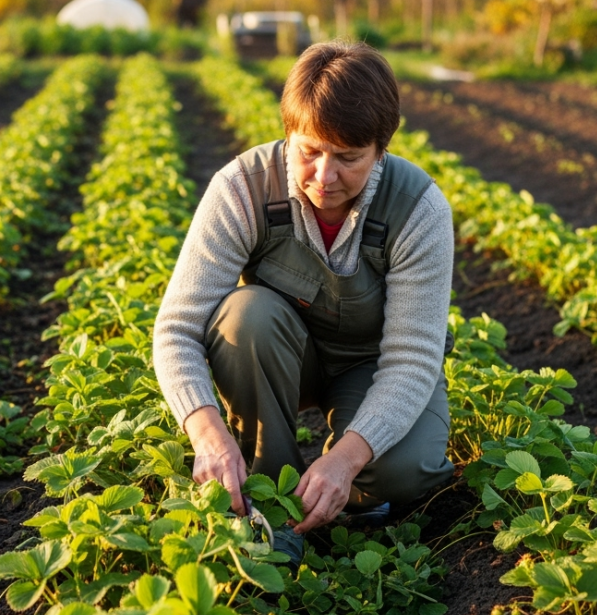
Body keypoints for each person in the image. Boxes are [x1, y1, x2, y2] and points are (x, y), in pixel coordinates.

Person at [152, 41, 455, 561]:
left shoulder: (417, 209)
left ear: (380, 150)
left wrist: (344, 461)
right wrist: (207, 435)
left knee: (407, 469)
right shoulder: (242, 189)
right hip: (278, 359)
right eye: (309, 151)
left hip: (369, 365)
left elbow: (411, 362)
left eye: (349, 158)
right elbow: (177, 328)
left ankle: (333, 494)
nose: (324, 177)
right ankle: (270, 499)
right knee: (245, 317)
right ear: (288, 133)